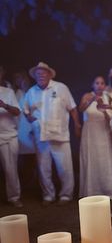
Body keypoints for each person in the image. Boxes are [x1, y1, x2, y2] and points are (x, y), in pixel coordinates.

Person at [23, 62, 81, 205]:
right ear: (35, 76)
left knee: (64, 167)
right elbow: (25, 110)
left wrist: (77, 124)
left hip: (59, 134)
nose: (41, 75)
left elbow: (72, 108)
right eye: (38, 73)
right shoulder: (31, 92)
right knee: (44, 168)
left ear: (49, 74)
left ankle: (66, 195)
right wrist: (30, 118)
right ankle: (48, 195)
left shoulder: (61, 88)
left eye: (43, 73)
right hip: (40, 135)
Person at [78, 76, 112, 198]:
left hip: (103, 130)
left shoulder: (108, 97)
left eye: (102, 83)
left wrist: (103, 108)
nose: (99, 85)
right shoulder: (87, 96)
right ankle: (91, 191)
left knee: (104, 159)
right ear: (93, 85)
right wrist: (92, 100)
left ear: (105, 85)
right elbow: (81, 109)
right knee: (91, 159)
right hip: (89, 132)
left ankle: (107, 191)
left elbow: (111, 117)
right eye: (97, 83)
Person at [12, 71, 38, 192]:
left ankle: (36, 184)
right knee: (23, 160)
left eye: (21, 78)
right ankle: (25, 186)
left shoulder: (32, 92)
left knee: (36, 158)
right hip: (20, 131)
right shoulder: (16, 93)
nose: (20, 81)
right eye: (17, 79)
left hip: (32, 129)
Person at [0, 78, 22, 207]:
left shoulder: (8, 92)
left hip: (8, 135)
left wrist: (5, 105)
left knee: (10, 169)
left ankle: (14, 197)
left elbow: (17, 112)